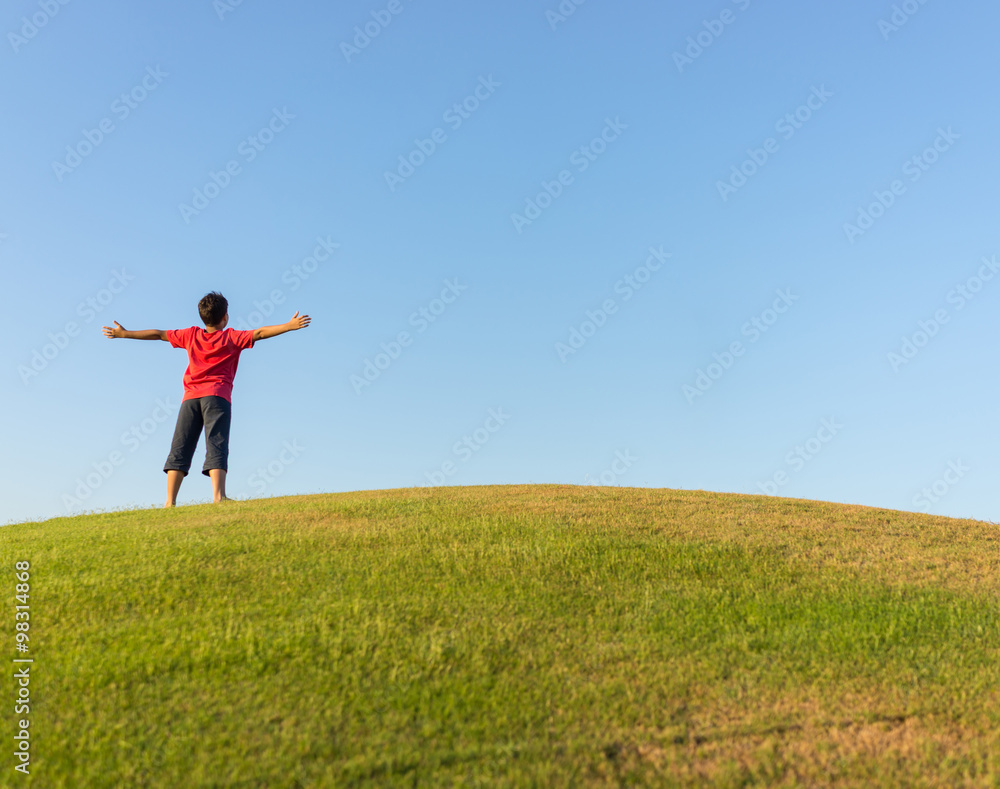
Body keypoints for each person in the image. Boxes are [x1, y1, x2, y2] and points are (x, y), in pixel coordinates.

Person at [102, 291, 310, 507]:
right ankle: (219, 496)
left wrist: (124, 334)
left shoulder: (190, 335)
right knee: (217, 443)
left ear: (202, 316)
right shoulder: (231, 337)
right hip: (217, 397)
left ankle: (169, 501)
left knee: (180, 446)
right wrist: (288, 326)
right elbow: (259, 333)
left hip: (190, 399)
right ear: (225, 318)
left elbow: (159, 334)